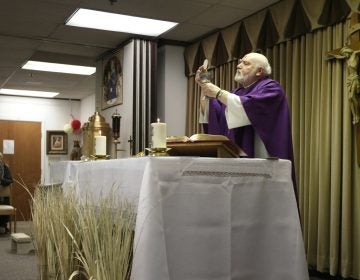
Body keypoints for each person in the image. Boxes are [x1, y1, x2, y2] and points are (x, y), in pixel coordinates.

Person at [195, 52, 296, 190]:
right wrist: (204, 85)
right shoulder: (237, 93)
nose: (238, 65)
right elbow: (216, 114)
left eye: (246, 63)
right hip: (240, 162)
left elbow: (248, 108)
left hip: (264, 158)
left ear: (260, 71)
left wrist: (218, 92)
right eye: (240, 61)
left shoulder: (272, 88)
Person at [0, 152, 13, 233]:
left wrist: (1, 179)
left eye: (0, 157)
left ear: (2, 158)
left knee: (5, 201)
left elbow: (10, 180)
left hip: (3, 195)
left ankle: (3, 225)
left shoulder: (6, 168)